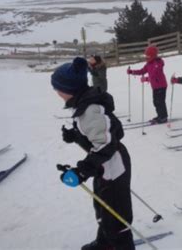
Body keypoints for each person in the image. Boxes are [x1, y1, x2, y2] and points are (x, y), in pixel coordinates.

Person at [51, 57, 134, 250]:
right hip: (104, 167)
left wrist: (82, 170)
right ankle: (105, 243)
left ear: (68, 90)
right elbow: (98, 135)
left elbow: (105, 144)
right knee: (103, 209)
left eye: (57, 88)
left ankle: (120, 245)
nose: (56, 92)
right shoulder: (84, 104)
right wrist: (75, 136)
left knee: (115, 217)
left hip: (113, 167)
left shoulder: (90, 110)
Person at [127, 46, 168, 124]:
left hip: (161, 85)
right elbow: (142, 71)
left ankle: (163, 117)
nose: (146, 57)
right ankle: (160, 115)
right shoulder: (149, 64)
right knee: (155, 102)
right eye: (146, 55)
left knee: (160, 101)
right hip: (155, 86)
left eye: (148, 55)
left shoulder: (157, 63)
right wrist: (132, 72)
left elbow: (154, 74)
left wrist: (146, 79)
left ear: (153, 55)